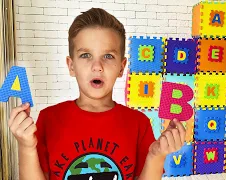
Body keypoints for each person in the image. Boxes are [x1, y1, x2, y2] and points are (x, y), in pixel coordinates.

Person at [8, 8, 186, 180]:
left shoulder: (138, 123)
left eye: (108, 56)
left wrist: (157, 155)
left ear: (121, 67)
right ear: (71, 66)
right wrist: (26, 147)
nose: (97, 66)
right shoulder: (49, 119)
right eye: (86, 55)